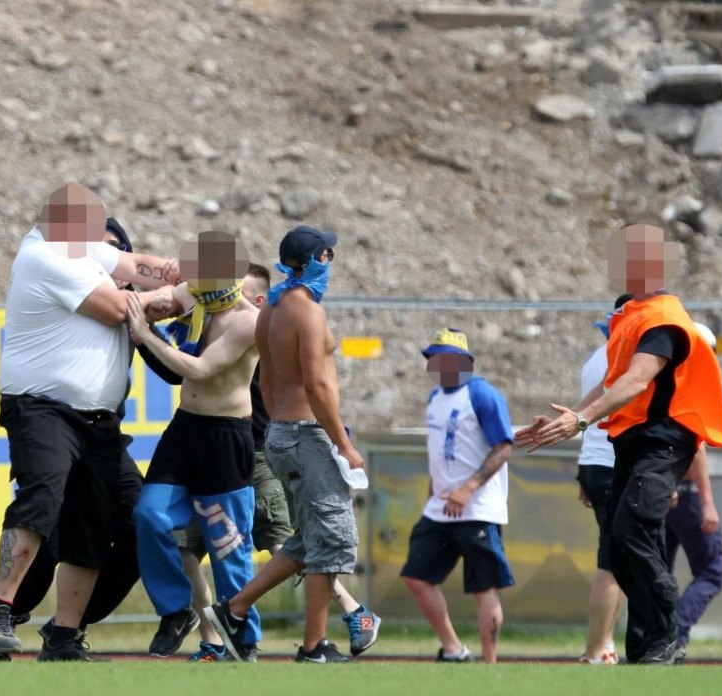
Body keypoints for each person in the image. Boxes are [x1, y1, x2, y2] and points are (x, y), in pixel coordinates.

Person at [0, 183, 179, 662]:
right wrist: (182, 293)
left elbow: (135, 265)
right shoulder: (46, 256)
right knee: (42, 495)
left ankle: (66, 634)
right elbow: (115, 309)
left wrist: (185, 269)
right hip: (42, 406)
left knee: (95, 522)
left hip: (99, 418)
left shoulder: (81, 251)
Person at [516, 224, 722, 665]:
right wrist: (568, 416)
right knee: (621, 542)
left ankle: (666, 626)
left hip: (664, 442)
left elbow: (636, 380)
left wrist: (580, 421)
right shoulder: (632, 315)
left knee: (631, 528)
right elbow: (612, 382)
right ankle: (652, 646)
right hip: (630, 443)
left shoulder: (664, 320)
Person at [175, 263, 380, 662]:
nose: (227, 300)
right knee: (310, 538)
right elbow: (310, 385)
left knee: (297, 540)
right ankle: (284, 634)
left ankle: (340, 614)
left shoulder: (264, 322)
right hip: (251, 450)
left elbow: (302, 386)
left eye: (238, 294)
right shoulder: (271, 320)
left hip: (260, 454)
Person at [127, 231, 263, 659]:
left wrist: (145, 335)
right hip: (185, 430)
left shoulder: (247, 320)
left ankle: (244, 638)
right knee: (149, 515)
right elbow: (158, 298)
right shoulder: (196, 296)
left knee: (227, 546)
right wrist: (121, 296)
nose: (188, 275)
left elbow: (201, 369)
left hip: (225, 437)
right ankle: (176, 610)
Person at [400, 328, 515, 664]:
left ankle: (489, 663)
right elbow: (438, 453)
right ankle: (453, 648)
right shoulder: (435, 397)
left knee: (483, 587)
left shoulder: (483, 395)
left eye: (444, 357)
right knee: (417, 577)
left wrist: (468, 488)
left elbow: (503, 448)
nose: (437, 364)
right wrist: (431, 494)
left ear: (464, 361)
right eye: (433, 357)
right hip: (439, 509)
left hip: (478, 509)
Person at [665, 324, 722, 662]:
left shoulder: (665, 382)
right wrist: (707, 502)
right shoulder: (693, 386)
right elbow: (695, 448)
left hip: (662, 494)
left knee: (661, 572)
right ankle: (675, 634)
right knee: (712, 571)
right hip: (685, 495)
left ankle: (657, 638)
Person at [576, 296, 631, 666]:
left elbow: (585, 417)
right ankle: (596, 649)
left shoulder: (594, 360)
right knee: (613, 560)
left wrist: (583, 471)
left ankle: (605, 644)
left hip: (594, 463)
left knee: (620, 558)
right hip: (613, 463)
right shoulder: (623, 359)